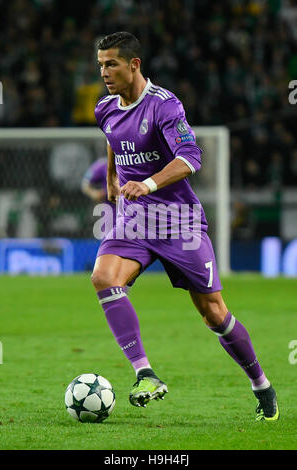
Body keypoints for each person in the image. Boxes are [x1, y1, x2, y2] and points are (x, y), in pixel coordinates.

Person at [91, 31, 279, 421]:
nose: (104, 72)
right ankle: (145, 373)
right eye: (100, 64)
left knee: (214, 313)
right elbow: (112, 135)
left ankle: (261, 385)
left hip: (178, 221)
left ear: (134, 64)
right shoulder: (105, 107)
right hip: (135, 219)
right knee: (104, 277)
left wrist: (148, 183)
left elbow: (191, 156)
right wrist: (111, 175)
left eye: (111, 63)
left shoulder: (164, 106)